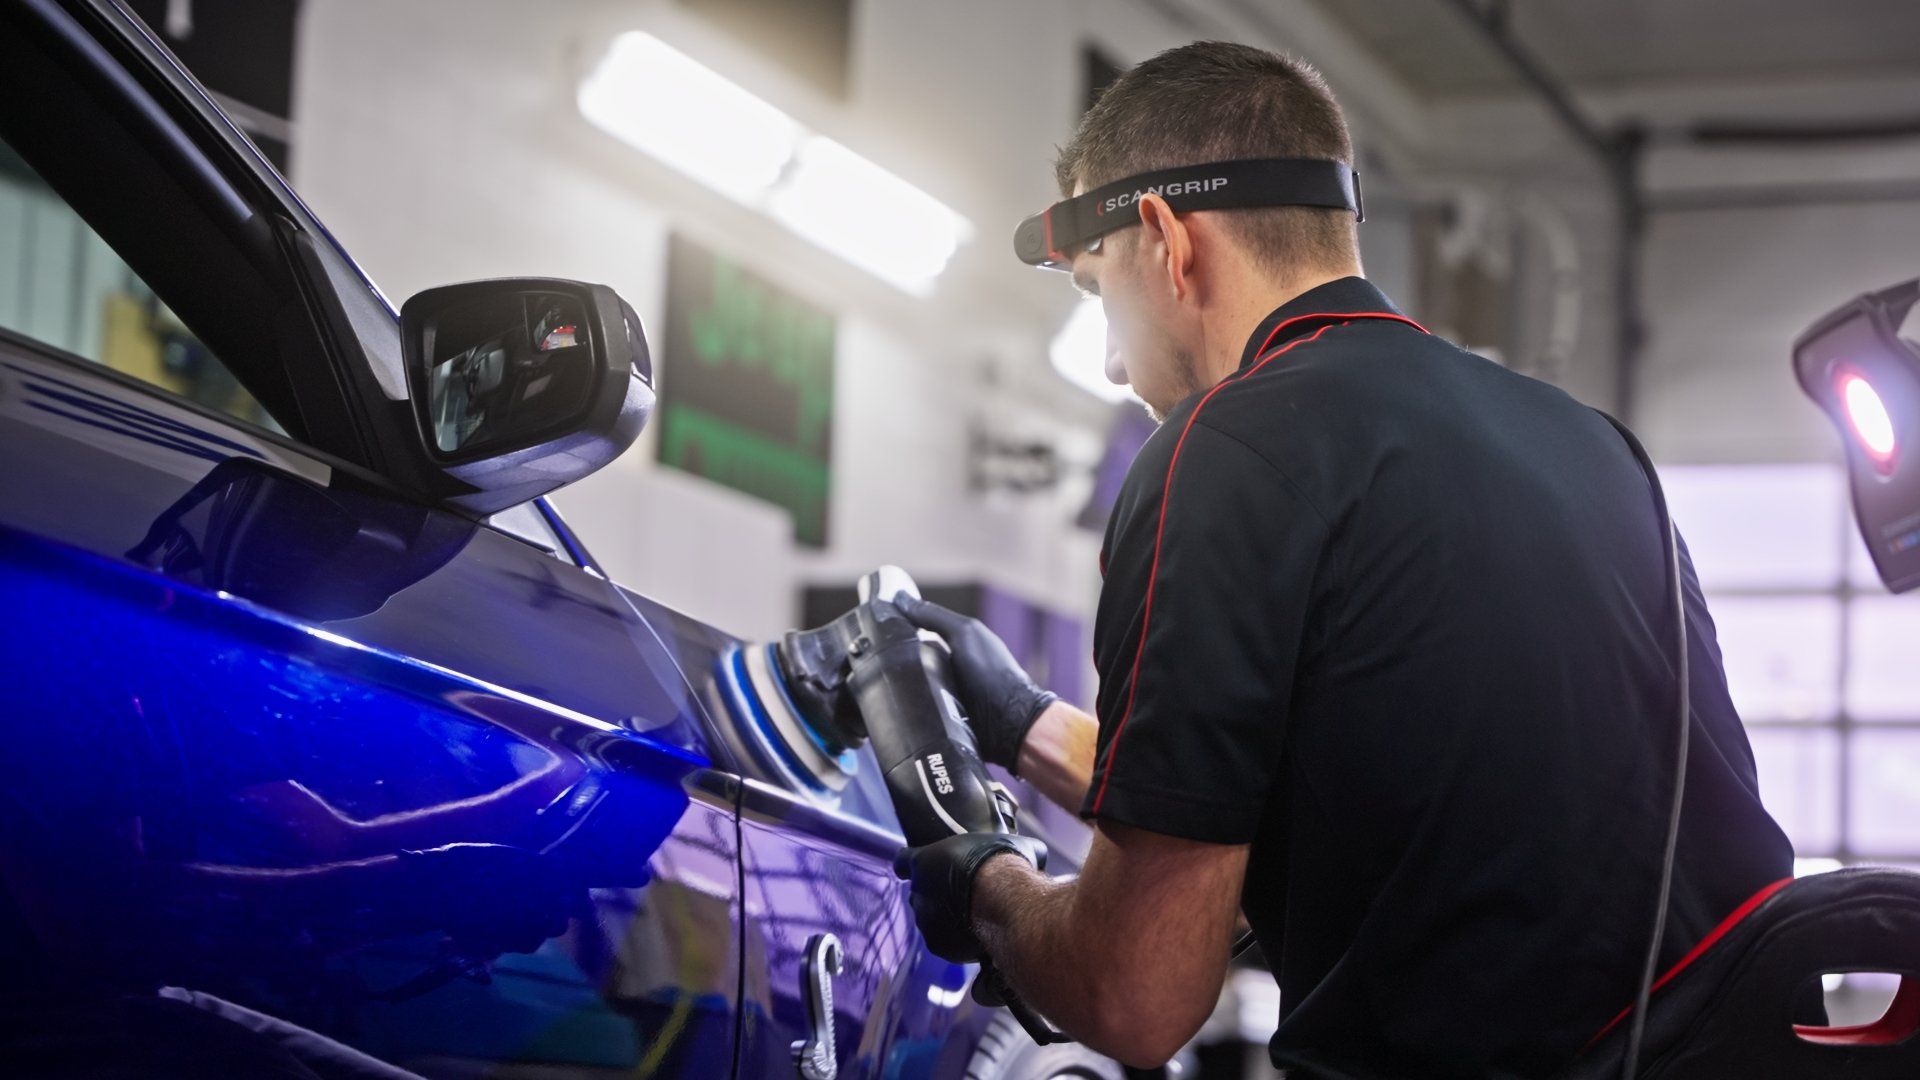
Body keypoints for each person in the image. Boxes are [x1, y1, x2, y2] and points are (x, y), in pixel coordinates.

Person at [890, 40, 1794, 1078]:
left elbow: (1133, 992)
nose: (1108, 360)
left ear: (1161, 241)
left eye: (1098, 292)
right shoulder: (1592, 446)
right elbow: (1398, 810)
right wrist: (1023, 726)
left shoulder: (1219, 450)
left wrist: (982, 882)